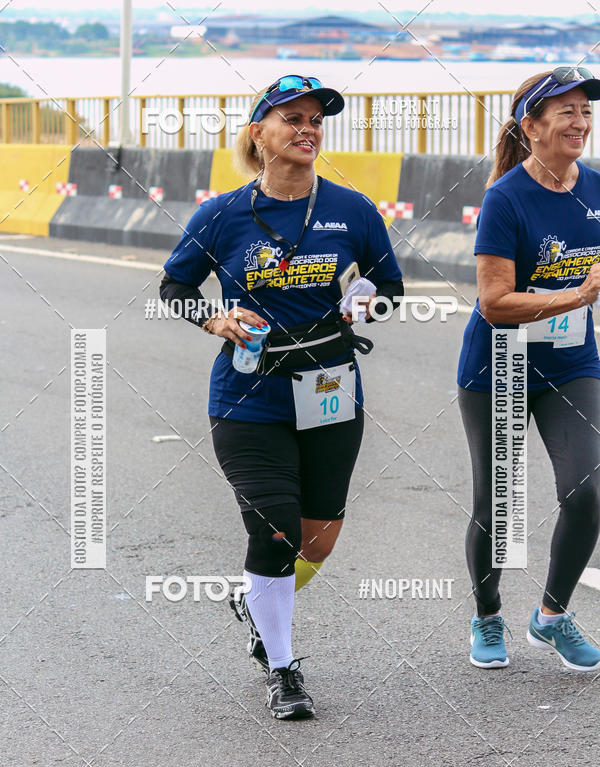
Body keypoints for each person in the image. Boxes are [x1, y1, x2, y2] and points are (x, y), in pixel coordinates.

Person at [159, 75, 404, 717]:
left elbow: (390, 285)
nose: (307, 129)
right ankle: (284, 667)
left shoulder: (352, 210)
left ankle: (256, 599)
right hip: (247, 396)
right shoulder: (222, 213)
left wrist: (367, 302)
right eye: (291, 118)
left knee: (316, 539)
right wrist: (215, 319)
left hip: (329, 388)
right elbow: (173, 289)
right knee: (273, 529)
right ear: (258, 133)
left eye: (316, 120)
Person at [457, 67, 600, 671]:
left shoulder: (595, 187)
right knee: (501, 507)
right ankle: (487, 615)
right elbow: (494, 301)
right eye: (563, 110)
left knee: (589, 491)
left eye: (585, 111)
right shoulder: (506, 198)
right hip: (501, 364)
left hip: (572, 362)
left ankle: (551, 616)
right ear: (530, 126)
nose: (580, 120)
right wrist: (577, 296)